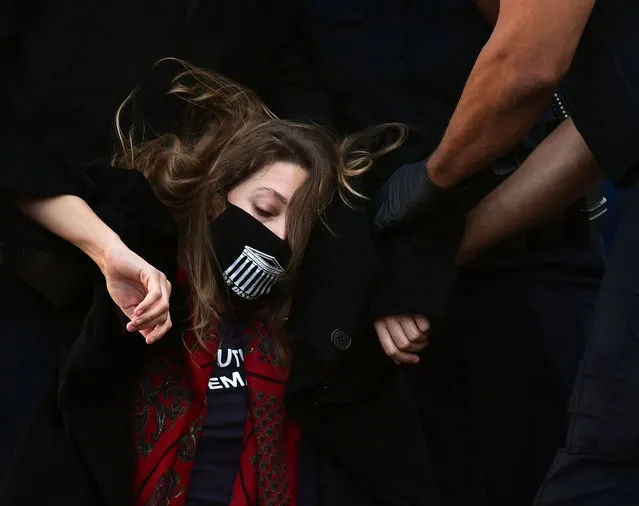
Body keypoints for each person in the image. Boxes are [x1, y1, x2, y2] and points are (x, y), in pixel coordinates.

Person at [0, 62, 434, 505]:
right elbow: (21, 172)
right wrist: (108, 252)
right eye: (265, 210)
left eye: (299, 228)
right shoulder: (150, 272)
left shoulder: (319, 318)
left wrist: (405, 286)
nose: (279, 238)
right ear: (214, 202)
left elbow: (429, 178)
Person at [0, 0, 332, 476]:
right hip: (35, 289)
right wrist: (102, 245)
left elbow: (304, 123)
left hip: (163, 301)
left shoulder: (255, 19)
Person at [296, 2, 605, 505]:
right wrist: (371, 266)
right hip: (362, 299)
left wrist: (433, 252)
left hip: (523, 270)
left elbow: (590, 117)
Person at [372, 0, 639, 504]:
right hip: (395, 295)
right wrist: (428, 252)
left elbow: (528, 68)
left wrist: (433, 183)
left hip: (543, 269)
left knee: (601, 466)